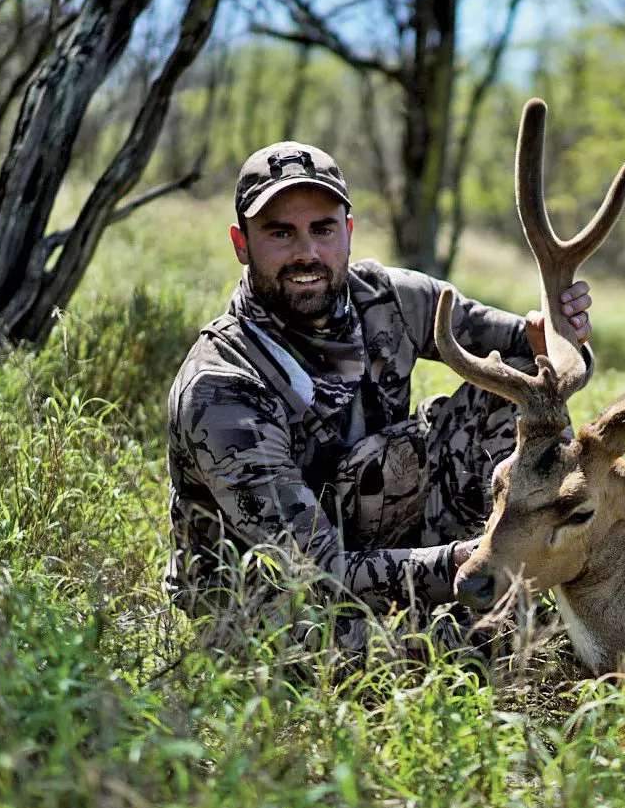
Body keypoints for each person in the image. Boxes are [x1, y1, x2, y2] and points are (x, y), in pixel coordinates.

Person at [165, 141, 591, 658]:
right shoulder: (223, 387)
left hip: (386, 525)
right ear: (241, 243)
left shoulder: (389, 297)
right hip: (273, 591)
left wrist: (563, 335)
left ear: (347, 231)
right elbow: (311, 568)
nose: (306, 254)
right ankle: (490, 612)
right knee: (428, 654)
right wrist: (474, 560)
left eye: (322, 229)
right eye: (280, 233)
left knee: (521, 383)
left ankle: (539, 572)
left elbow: (541, 353)